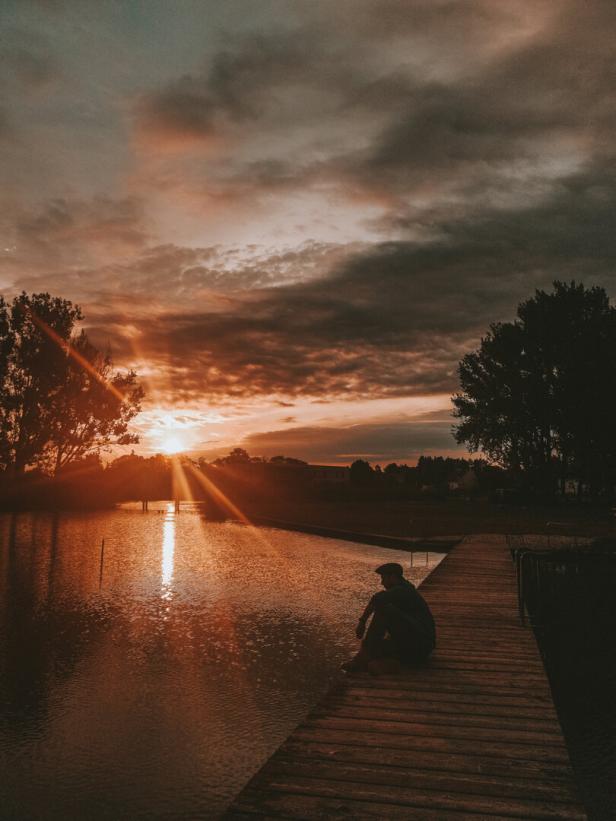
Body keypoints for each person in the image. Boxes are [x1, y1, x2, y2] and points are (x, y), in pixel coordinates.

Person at [342, 562, 436, 674]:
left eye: (383, 578)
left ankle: (366, 661)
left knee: (384, 609)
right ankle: (366, 660)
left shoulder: (402, 590)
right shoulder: (403, 589)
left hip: (419, 647)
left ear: (393, 577)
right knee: (379, 647)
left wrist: (362, 622)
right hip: (417, 645)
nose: (382, 582)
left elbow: (376, 599)